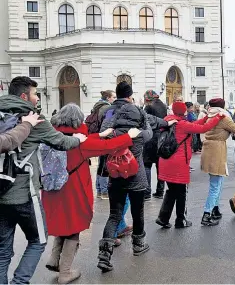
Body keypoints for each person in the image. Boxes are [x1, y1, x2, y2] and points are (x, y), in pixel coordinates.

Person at [42, 104, 141, 284]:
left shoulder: (52, 134)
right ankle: (65, 273)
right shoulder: (81, 142)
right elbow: (108, 147)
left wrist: (99, 135)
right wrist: (129, 136)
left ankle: (54, 259)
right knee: (73, 227)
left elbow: (90, 140)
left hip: (52, 189)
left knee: (62, 224)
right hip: (72, 190)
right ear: (77, 120)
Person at [0, 76, 85, 285]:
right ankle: (19, 282)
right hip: (24, 193)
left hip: (0, 192)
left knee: (2, 250)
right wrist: (79, 139)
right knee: (38, 240)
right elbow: (60, 142)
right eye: (35, 94)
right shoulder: (33, 118)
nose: (37, 99)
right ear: (24, 96)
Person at [97, 82, 154, 272]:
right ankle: (138, 245)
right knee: (138, 213)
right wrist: (142, 116)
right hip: (136, 175)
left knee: (114, 214)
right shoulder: (139, 131)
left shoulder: (113, 124)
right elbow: (149, 133)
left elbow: (103, 132)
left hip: (116, 174)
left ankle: (105, 254)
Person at [155, 101, 223, 229]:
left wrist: (205, 118)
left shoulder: (168, 121)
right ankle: (181, 220)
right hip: (178, 163)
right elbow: (203, 129)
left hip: (165, 160)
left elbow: (192, 125)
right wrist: (217, 118)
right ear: (183, 111)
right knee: (181, 192)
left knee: (171, 191)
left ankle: (163, 218)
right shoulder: (182, 124)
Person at [200, 98, 235, 226]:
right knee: (215, 185)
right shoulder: (223, 117)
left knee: (218, 182)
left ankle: (215, 209)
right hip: (216, 151)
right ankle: (206, 214)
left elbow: (234, 126)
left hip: (209, 149)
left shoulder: (210, 115)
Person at [143, 90, 168, 200]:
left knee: (147, 164)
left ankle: (147, 192)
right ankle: (160, 191)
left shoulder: (148, 107)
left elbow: (144, 121)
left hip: (150, 137)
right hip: (161, 137)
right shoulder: (163, 105)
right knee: (160, 165)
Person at [95, 90, 117, 200]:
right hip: (105, 138)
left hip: (99, 137)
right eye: (113, 97)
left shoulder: (98, 106)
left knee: (101, 165)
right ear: (108, 98)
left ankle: (99, 190)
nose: (115, 99)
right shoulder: (107, 108)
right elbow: (107, 124)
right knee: (104, 166)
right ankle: (104, 192)